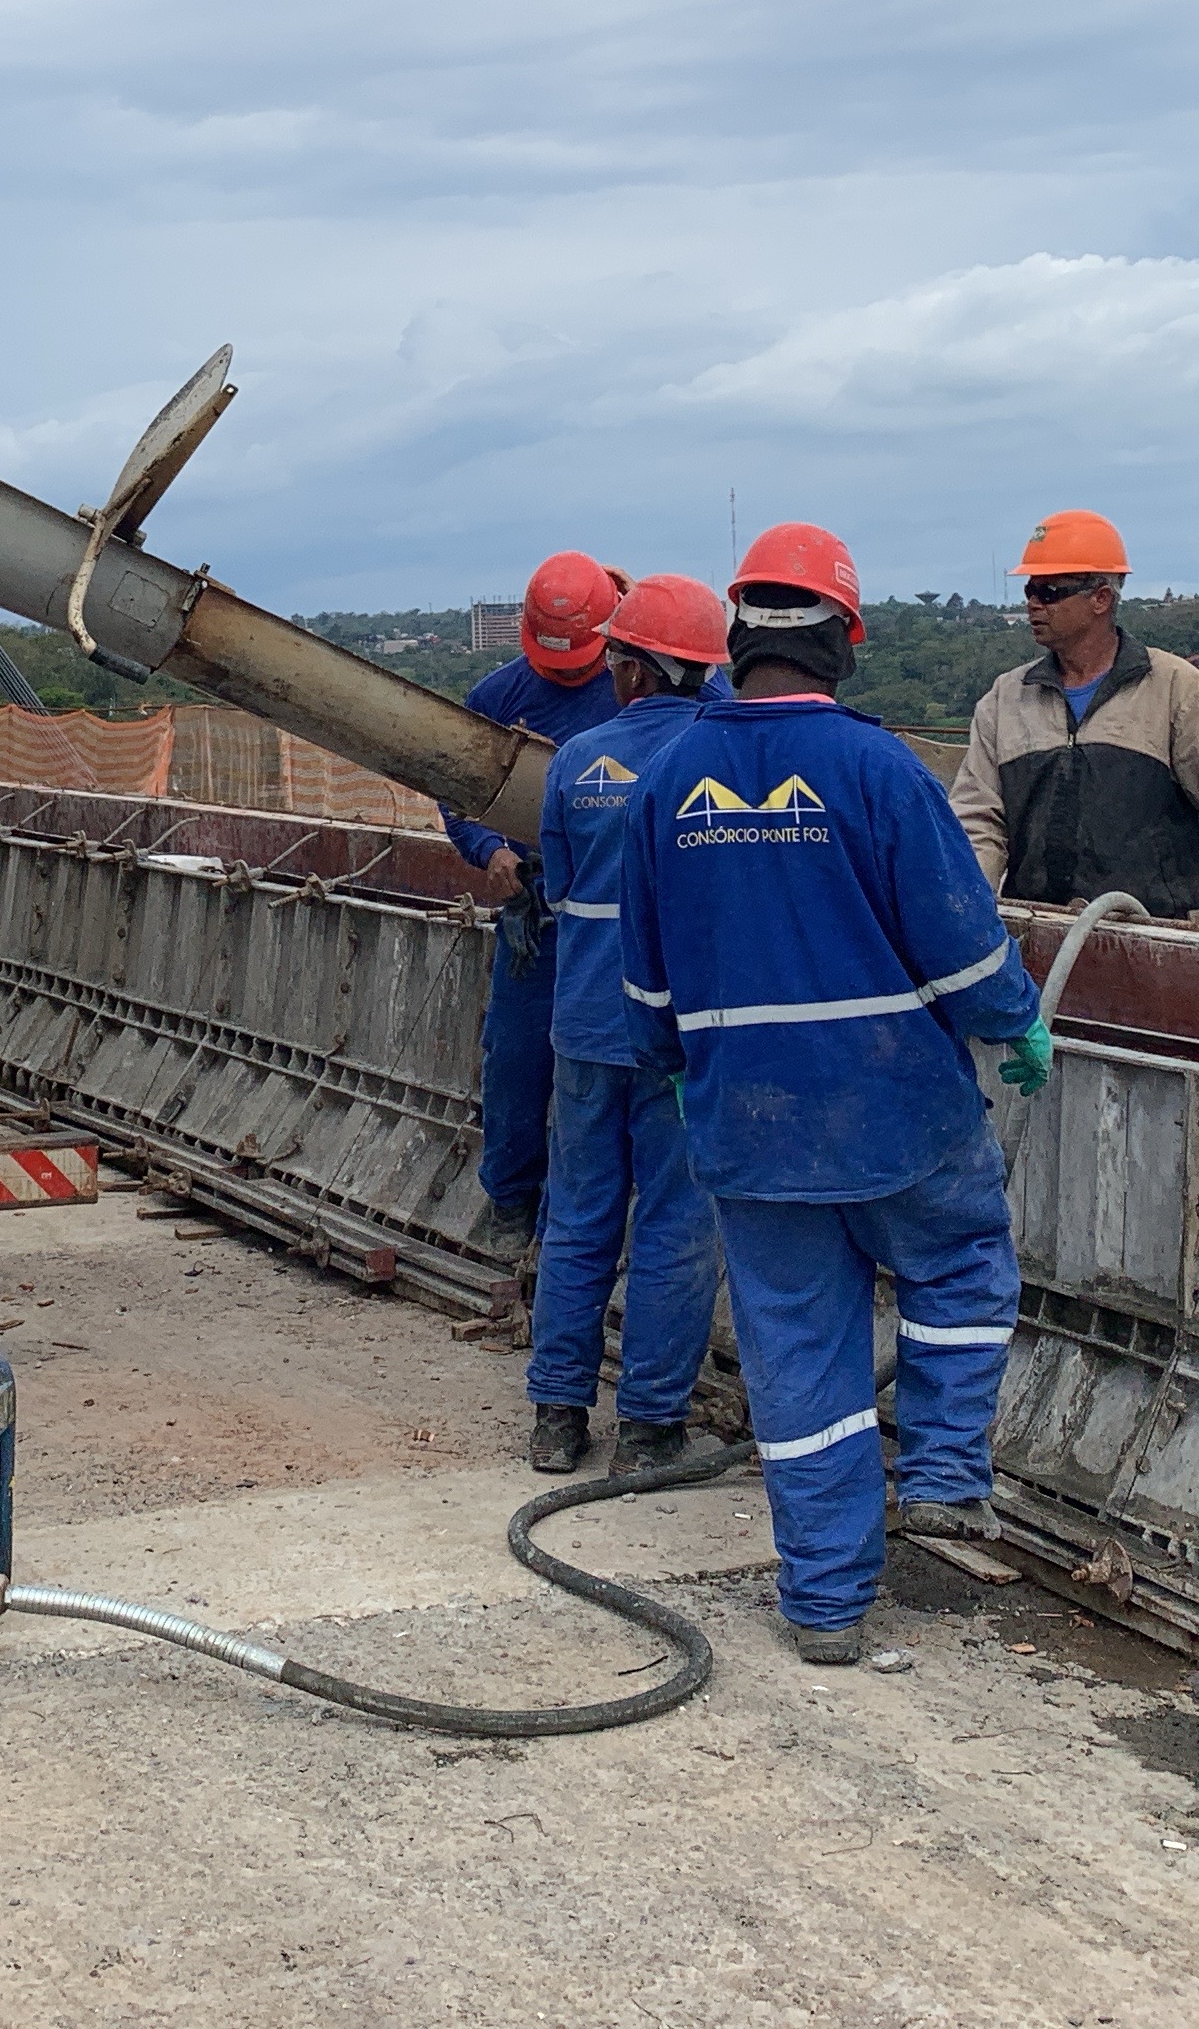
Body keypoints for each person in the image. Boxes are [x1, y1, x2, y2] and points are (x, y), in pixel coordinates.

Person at [617, 523, 1048, 1665]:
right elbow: (960, 949)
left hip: (749, 1130)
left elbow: (646, 987)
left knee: (800, 1360)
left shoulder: (664, 787)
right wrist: (1017, 1021)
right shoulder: (878, 770)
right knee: (959, 1265)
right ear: (846, 640)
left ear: (735, 639)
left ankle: (823, 1609)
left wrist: (688, 1069)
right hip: (894, 1108)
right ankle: (949, 1472)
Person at [521, 572, 729, 1478]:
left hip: (588, 1023)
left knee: (579, 1217)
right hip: (685, 1034)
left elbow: (560, 890)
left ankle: (557, 1417)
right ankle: (649, 1429)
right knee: (678, 1225)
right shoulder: (717, 763)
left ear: (638, 668)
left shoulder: (577, 762)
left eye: (614, 656)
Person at [950, 509, 1199, 933]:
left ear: (1101, 598)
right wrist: (964, 912)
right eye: (1029, 589)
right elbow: (977, 822)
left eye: (1049, 591)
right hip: (1033, 933)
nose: (1032, 604)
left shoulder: (1174, 690)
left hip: (1153, 938)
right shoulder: (1007, 698)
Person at [440, 548, 627, 1235]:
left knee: (629, 1066)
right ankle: (514, 1201)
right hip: (539, 918)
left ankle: (603, 1212)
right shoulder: (498, 700)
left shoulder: (654, 689)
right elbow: (457, 798)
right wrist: (488, 851)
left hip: (629, 918)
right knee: (517, 1059)